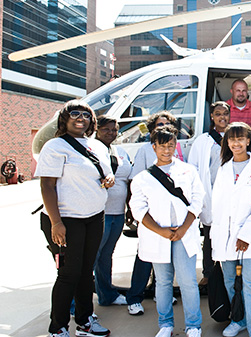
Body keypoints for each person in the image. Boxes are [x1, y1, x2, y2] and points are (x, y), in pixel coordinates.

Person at [35, 100, 114, 337]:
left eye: (86, 114)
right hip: (67, 220)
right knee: (68, 274)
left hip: (94, 217)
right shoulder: (55, 146)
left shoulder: (97, 145)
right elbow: (47, 186)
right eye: (75, 114)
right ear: (64, 119)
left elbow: (106, 174)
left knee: (85, 272)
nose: (81, 118)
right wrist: (56, 222)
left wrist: (108, 180)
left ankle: (85, 322)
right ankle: (57, 328)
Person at [130, 125, 204, 337]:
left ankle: (193, 325)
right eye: (162, 146)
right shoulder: (143, 178)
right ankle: (165, 324)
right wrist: (160, 231)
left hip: (184, 233)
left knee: (188, 280)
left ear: (176, 146)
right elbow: (138, 208)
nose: (166, 150)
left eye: (171, 145)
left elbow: (198, 199)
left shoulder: (188, 170)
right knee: (162, 282)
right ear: (154, 147)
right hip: (158, 236)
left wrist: (184, 227)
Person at [211, 123, 251, 337]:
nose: (236, 143)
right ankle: (239, 319)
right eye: (232, 139)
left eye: (240, 139)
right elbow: (218, 205)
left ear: (248, 140)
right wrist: (216, 235)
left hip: (249, 237)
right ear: (226, 143)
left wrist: (245, 235)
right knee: (230, 280)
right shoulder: (224, 168)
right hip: (224, 236)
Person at [127, 111, 182, 316]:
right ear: (152, 129)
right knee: (145, 257)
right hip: (151, 216)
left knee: (167, 256)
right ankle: (135, 297)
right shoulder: (145, 150)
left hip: (172, 215)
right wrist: (134, 212)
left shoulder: (178, 148)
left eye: (167, 124)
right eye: (159, 125)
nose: (163, 128)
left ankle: (162, 293)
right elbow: (135, 181)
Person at [187, 101, 230, 286]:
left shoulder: (236, 136)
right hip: (209, 194)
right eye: (218, 114)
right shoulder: (203, 140)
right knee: (210, 234)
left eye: (225, 114)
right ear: (212, 116)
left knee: (229, 234)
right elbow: (194, 168)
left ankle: (230, 273)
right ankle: (209, 273)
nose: (222, 117)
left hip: (230, 195)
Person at [94, 115, 133, 307]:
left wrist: (128, 208)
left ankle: (107, 295)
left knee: (106, 256)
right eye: (106, 129)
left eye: (114, 129)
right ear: (96, 129)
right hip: (99, 214)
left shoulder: (120, 151)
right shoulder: (91, 148)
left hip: (117, 213)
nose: (111, 133)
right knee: (92, 257)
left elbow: (127, 180)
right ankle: (77, 302)